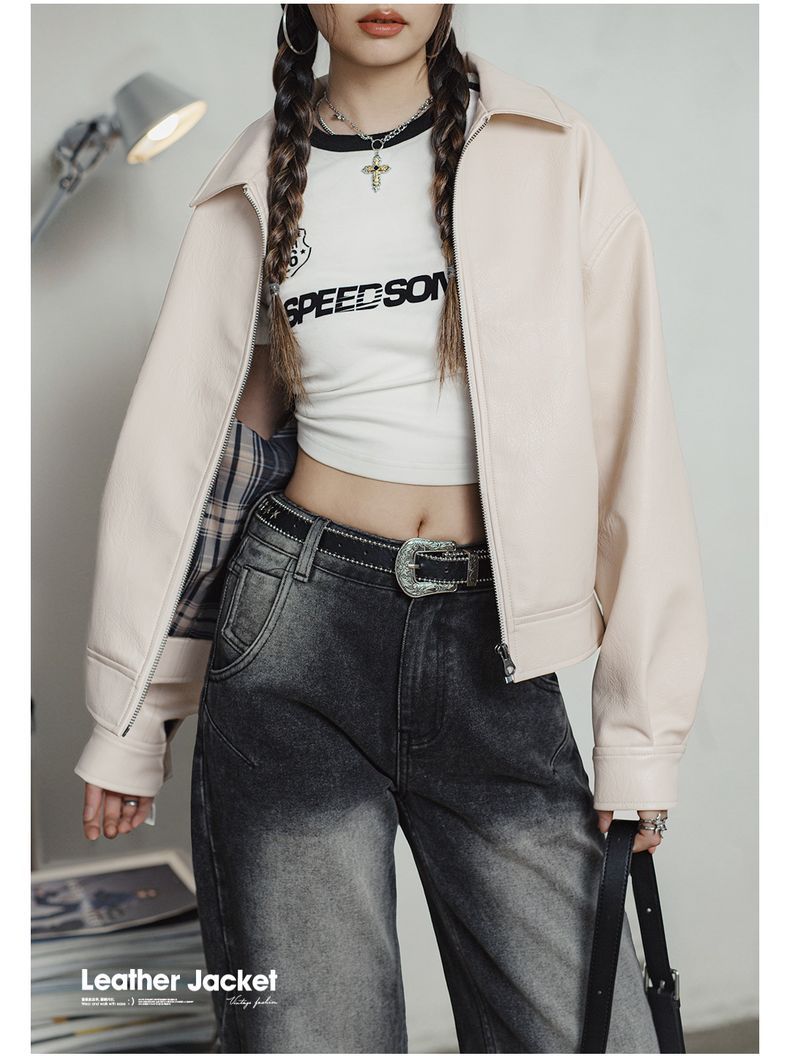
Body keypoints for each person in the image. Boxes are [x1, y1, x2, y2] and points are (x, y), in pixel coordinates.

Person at [73, 4, 708, 1052]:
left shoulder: (549, 151)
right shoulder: (251, 179)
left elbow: (633, 439)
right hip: (292, 638)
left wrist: (640, 735)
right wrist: (131, 718)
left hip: (494, 648)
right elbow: (201, 463)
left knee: (589, 1034)